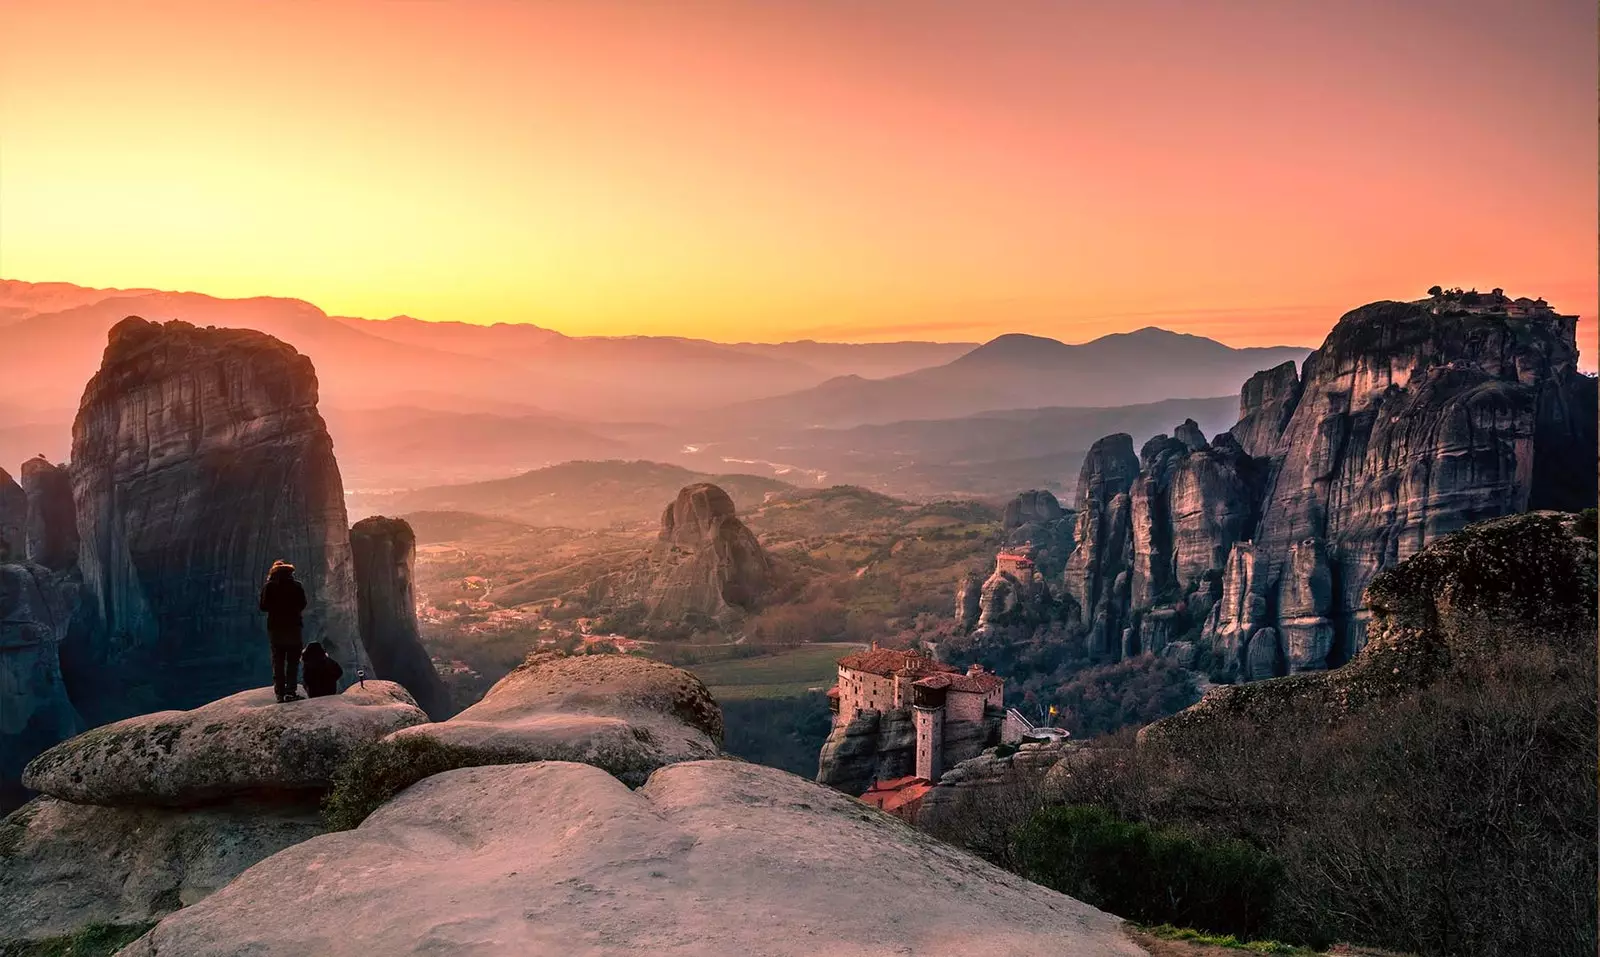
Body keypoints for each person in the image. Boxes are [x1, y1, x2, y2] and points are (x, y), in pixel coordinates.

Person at [258, 560, 308, 702]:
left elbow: (263, 606)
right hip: (294, 628)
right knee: (293, 662)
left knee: (278, 661)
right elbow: (303, 603)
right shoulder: (296, 586)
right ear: (290, 572)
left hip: (276, 629)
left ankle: (279, 693)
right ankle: (290, 692)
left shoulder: (269, 587)